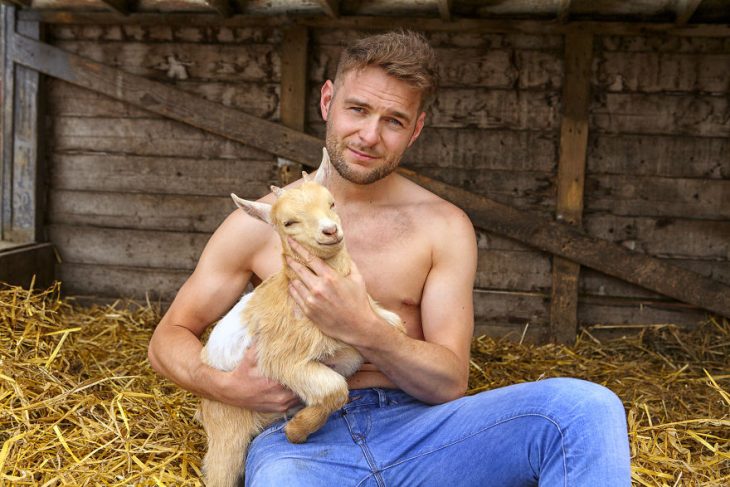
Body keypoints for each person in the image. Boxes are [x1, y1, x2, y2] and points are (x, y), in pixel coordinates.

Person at [148, 30, 631, 486]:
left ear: (415, 129)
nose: (369, 135)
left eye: (393, 121)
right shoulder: (263, 223)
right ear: (326, 101)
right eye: (357, 109)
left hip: (424, 432)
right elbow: (168, 338)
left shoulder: (442, 226)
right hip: (300, 439)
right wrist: (226, 387)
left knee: (583, 408)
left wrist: (364, 327)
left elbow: (447, 382)